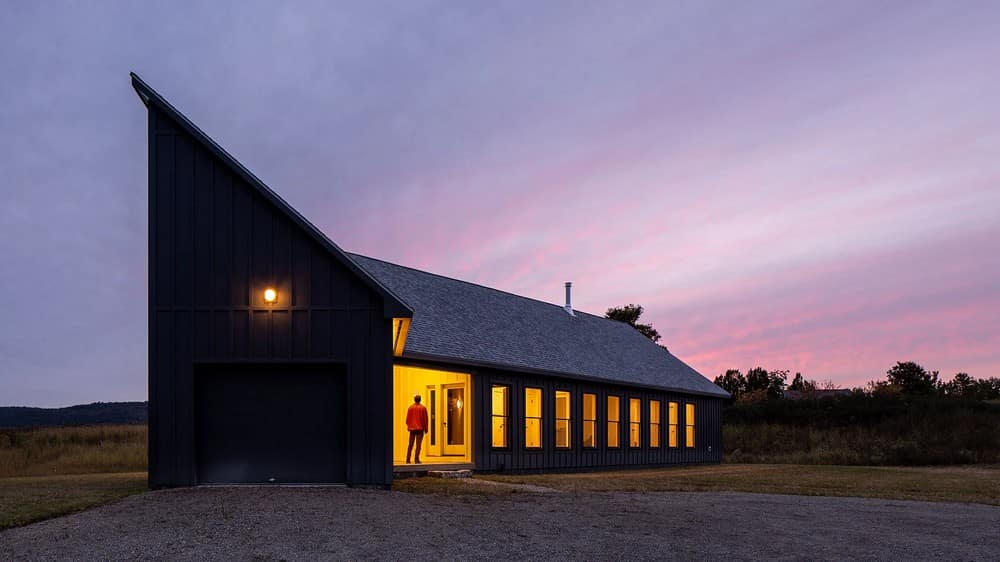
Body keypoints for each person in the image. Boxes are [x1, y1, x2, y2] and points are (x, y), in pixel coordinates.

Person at [405, 394, 429, 464]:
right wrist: (426, 428)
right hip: (420, 429)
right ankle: (416, 459)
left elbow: (407, 420)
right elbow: (425, 419)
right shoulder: (423, 408)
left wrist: (410, 425)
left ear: (414, 399)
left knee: (410, 445)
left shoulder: (410, 408)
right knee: (418, 445)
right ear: (420, 399)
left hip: (412, 429)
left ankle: (408, 459)